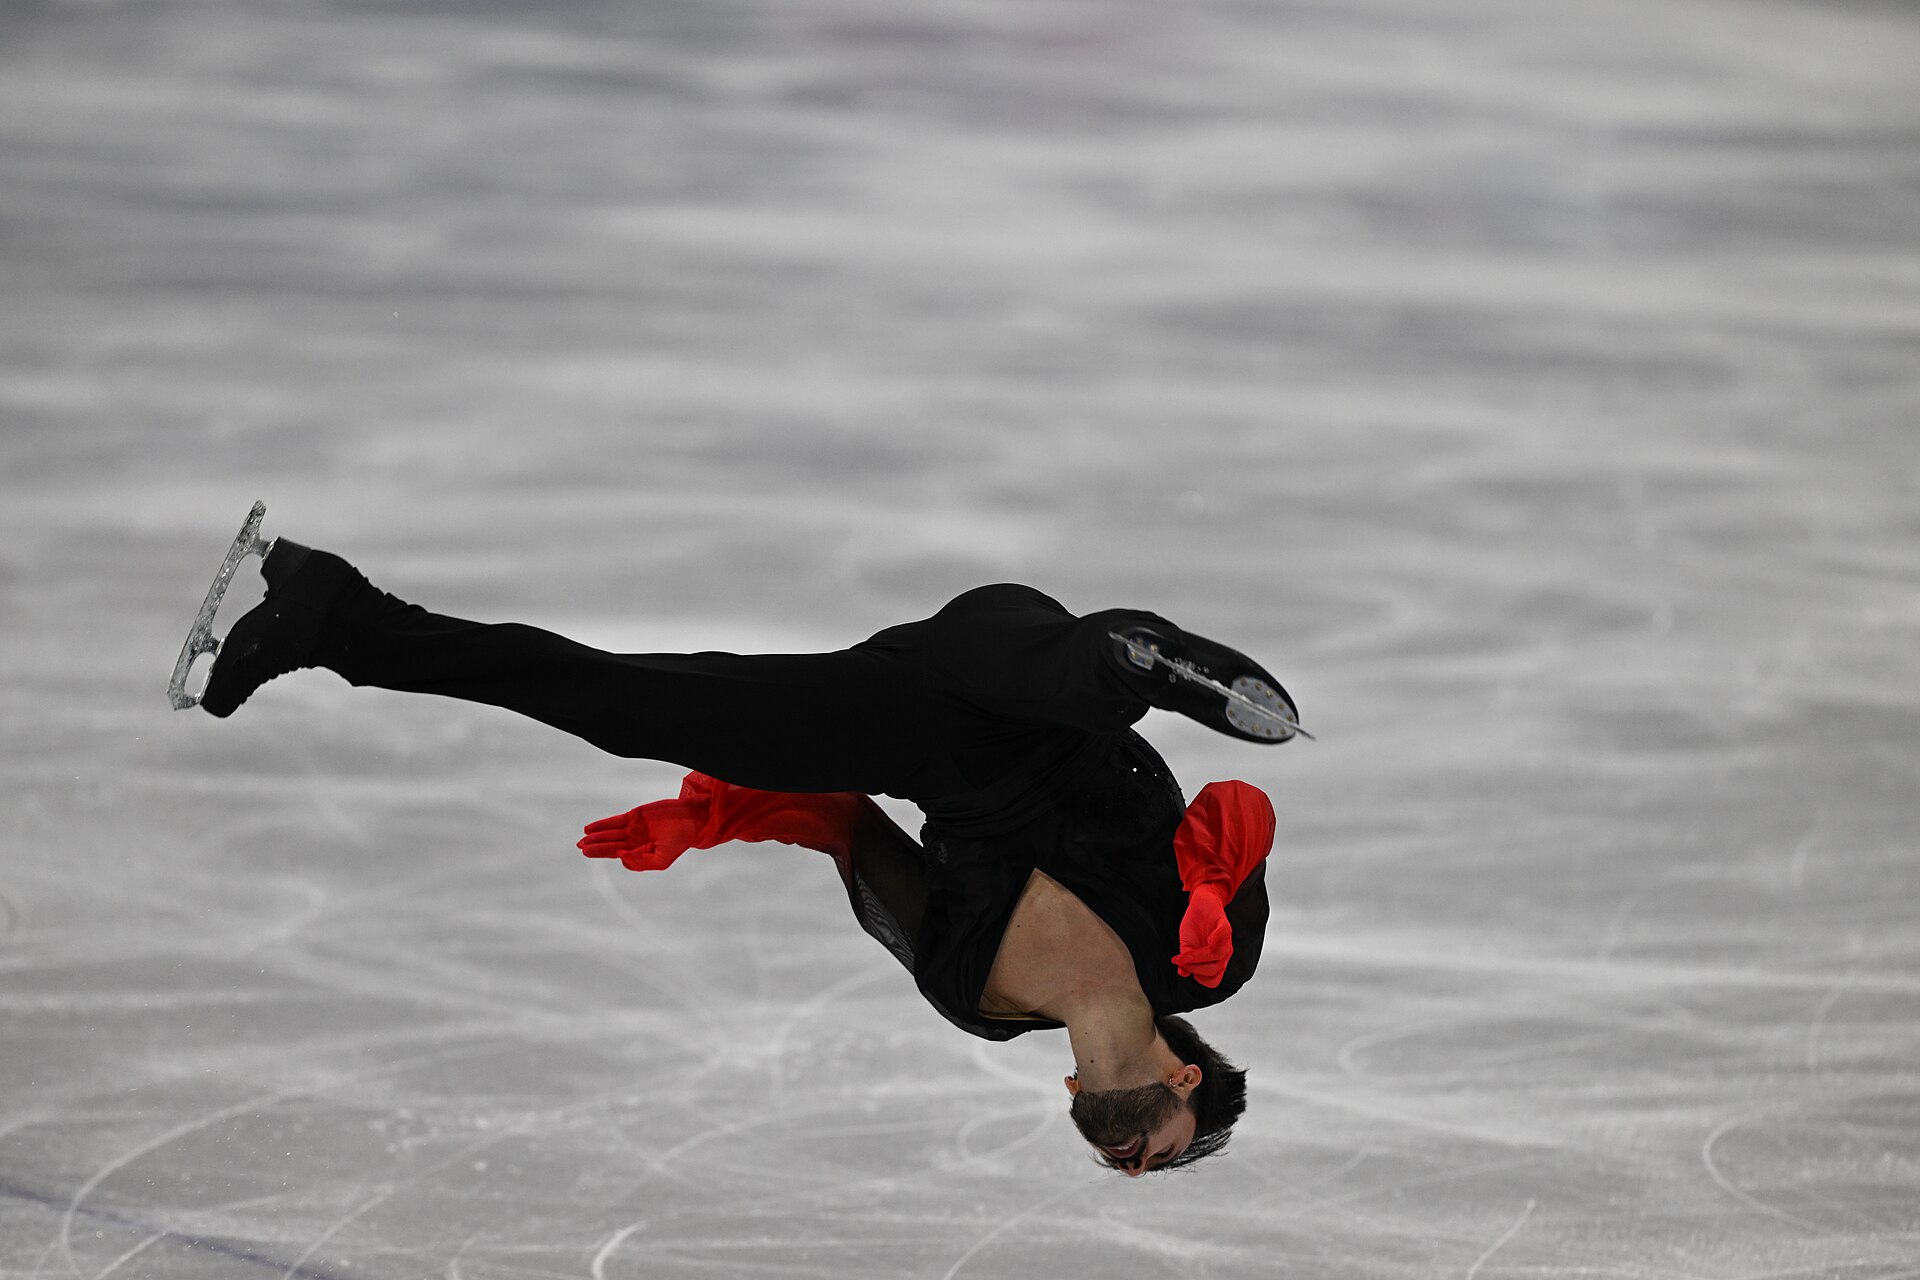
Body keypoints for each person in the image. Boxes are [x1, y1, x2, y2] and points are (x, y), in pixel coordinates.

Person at [178, 512, 1304, 1175]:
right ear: (1183, 1071)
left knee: (623, 705)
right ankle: (1146, 661)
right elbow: (1237, 808)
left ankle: (334, 616)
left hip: (910, 727)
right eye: (1164, 1149)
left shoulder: (974, 992)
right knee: (1078, 681)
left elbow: (841, 822)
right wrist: (1208, 887)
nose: (1129, 1163)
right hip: (1029, 687)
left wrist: (711, 812)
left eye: (1131, 1167)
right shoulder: (1203, 957)